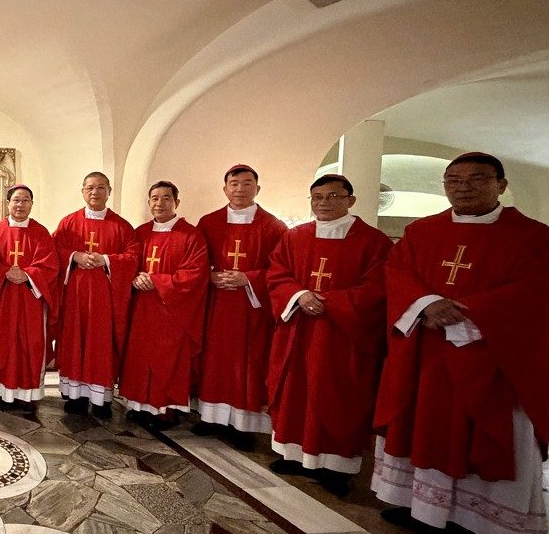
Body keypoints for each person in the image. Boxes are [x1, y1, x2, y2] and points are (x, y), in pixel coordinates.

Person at [372, 152, 549, 534]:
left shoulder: (534, 237)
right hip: (426, 353)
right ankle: (421, 508)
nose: (463, 187)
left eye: (477, 179)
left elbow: (530, 295)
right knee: (425, 423)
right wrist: (425, 303)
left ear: (501, 185)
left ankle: (473, 523)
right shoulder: (422, 231)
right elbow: (397, 270)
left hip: (490, 358)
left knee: (479, 434)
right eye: (453, 179)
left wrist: (459, 313)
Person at [265, 174, 391, 495]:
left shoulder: (373, 242)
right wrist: (298, 295)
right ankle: (292, 454)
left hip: (342, 336)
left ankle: (337, 467)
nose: (324, 203)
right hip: (298, 331)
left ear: (350, 200)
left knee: (338, 394)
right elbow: (277, 273)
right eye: (317, 197)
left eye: (333, 196)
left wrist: (327, 301)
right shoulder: (294, 237)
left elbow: (378, 287)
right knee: (296, 390)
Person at [193, 164, 287, 447]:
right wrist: (209, 276)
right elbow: (196, 260)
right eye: (234, 184)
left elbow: (281, 269)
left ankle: (244, 425)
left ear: (257, 189)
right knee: (214, 359)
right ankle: (210, 417)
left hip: (250, 307)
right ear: (225, 189)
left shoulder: (273, 226)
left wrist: (249, 278)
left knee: (247, 362)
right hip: (217, 303)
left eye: (247, 184)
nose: (240, 189)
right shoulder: (209, 222)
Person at [119, 181, 208, 431]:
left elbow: (194, 273)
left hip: (172, 311)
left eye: (166, 198)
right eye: (155, 198)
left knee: (167, 359)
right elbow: (128, 261)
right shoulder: (140, 232)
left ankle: (165, 410)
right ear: (149, 202)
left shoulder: (191, 235)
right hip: (141, 309)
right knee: (139, 356)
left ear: (176, 203)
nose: (160, 203)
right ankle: (139, 406)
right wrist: (134, 277)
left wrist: (156, 281)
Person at [52, 172, 138, 417]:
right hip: (75, 297)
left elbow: (133, 257)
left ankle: (101, 397)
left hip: (104, 299)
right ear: (82, 191)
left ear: (109, 191)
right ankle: (74, 395)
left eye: (101, 187)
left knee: (100, 344)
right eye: (90, 187)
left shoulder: (121, 226)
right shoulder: (68, 223)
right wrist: (75, 256)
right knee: (74, 340)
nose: (95, 192)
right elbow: (54, 249)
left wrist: (106, 260)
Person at [0, 184, 59, 413]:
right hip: (4, 299)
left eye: (25, 200)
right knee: (3, 343)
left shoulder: (40, 232)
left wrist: (27, 274)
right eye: (16, 200)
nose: (20, 205)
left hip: (31, 301)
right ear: (8, 204)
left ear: (31, 204)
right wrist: (4, 272)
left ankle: (27, 394)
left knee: (30, 344)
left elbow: (50, 265)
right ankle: (3, 392)